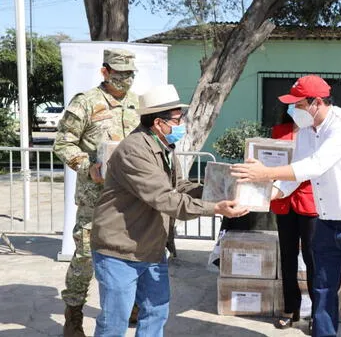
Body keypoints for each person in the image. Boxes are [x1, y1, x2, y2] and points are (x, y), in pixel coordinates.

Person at [231, 75, 341, 337]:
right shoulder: (306, 133)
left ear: (316, 103)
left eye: (297, 105)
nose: (292, 111)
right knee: (322, 290)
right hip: (327, 222)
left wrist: (266, 173)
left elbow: (315, 165)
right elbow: (295, 179)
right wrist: (259, 197)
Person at [90, 84, 249, 337]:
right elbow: (165, 199)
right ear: (158, 123)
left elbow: (179, 186)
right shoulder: (134, 150)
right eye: (177, 119)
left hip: (151, 247)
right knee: (115, 322)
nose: (181, 124)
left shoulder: (163, 148)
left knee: (156, 312)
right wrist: (214, 208)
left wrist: (216, 188)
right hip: (120, 250)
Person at [54, 48, 139, 337]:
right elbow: (63, 144)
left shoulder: (137, 104)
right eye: (119, 74)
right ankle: (74, 314)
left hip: (132, 197)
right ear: (105, 71)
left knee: (132, 251)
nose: (125, 80)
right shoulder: (86, 103)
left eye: (130, 74)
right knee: (86, 257)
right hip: (96, 198)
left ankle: (132, 305)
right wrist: (86, 165)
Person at [270, 105, 318, 329]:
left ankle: (318, 312)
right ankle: (291, 308)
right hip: (283, 200)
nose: (296, 109)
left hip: (309, 201)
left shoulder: (316, 132)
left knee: (312, 259)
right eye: (292, 106)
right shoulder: (279, 131)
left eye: (299, 105)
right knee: (287, 257)